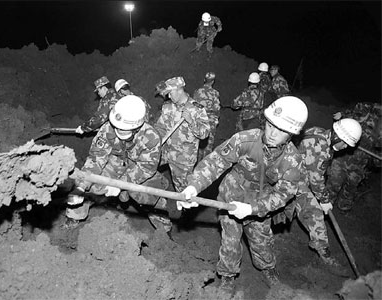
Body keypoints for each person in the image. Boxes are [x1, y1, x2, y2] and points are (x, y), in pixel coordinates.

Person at [179, 96, 309, 291]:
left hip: (261, 203)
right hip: (231, 196)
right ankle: (227, 276)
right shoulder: (245, 139)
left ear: (291, 134)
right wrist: (193, 186)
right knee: (230, 240)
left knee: (262, 242)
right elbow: (215, 162)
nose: (273, 133)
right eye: (271, 125)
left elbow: (283, 195)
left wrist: (252, 208)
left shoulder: (292, 161)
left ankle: (268, 269)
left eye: (282, 130)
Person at [67, 95, 177, 229]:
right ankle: (74, 219)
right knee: (91, 184)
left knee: (150, 196)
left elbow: (146, 168)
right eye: (116, 127)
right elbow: (96, 159)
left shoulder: (151, 137)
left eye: (124, 129)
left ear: (137, 126)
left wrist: (119, 184)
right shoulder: (107, 129)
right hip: (115, 162)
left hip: (139, 170)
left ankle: (163, 230)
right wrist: (81, 186)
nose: (118, 130)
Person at [275, 118, 362, 268]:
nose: (346, 147)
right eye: (345, 143)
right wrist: (324, 200)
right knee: (315, 213)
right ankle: (324, 253)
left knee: (290, 208)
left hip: (291, 170)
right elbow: (315, 179)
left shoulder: (319, 132)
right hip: (291, 177)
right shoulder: (320, 148)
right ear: (337, 137)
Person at [154, 76, 210, 193]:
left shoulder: (196, 109)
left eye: (170, 93)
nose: (169, 96)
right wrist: (154, 141)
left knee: (183, 191)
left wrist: (191, 121)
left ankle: (186, 210)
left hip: (183, 160)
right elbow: (160, 127)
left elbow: (205, 133)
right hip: (165, 152)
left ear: (179, 89)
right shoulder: (168, 107)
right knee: (147, 165)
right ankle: (159, 186)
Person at [327, 102, 381, 211]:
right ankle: (326, 206)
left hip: (360, 164)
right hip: (343, 157)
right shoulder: (367, 111)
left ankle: (344, 208)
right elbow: (350, 116)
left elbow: (377, 157)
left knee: (350, 188)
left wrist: (378, 160)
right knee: (334, 182)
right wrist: (342, 115)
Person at [193, 72, 221, 160]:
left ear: (204, 80)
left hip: (200, 120)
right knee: (208, 145)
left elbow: (193, 105)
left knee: (197, 143)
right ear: (212, 82)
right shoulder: (215, 93)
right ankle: (204, 167)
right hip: (210, 121)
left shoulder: (197, 91)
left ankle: (195, 165)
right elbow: (217, 108)